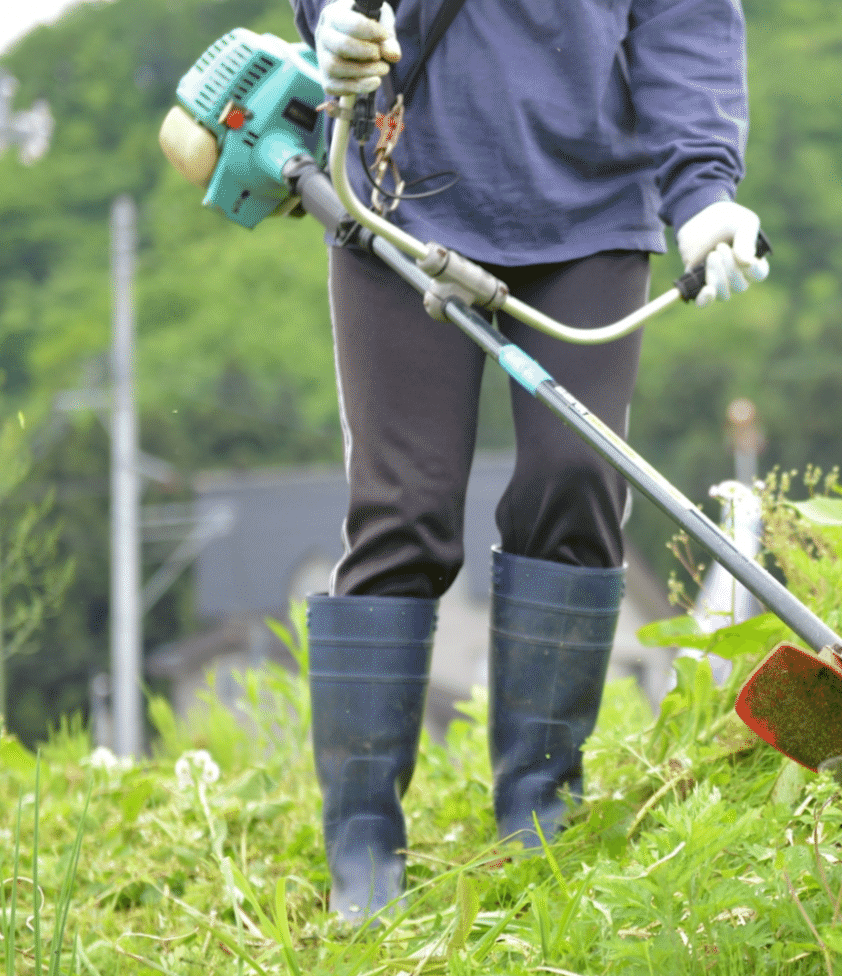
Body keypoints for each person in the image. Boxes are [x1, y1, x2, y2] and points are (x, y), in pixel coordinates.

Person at [289, 0, 768, 923]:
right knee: (404, 511)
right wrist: (332, 19)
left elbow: (685, 20)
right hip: (399, 195)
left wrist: (704, 191)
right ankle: (363, 859)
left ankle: (540, 825)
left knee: (577, 483)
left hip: (589, 206)